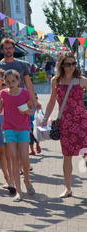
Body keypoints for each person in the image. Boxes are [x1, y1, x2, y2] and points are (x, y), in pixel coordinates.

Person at [41, 52, 87, 198]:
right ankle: (68, 189)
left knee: (86, 154)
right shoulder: (56, 80)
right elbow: (51, 101)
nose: (71, 67)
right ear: (62, 65)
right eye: (68, 64)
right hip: (65, 123)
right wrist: (45, 118)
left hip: (82, 122)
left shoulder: (82, 80)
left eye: (73, 63)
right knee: (67, 156)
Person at [0, 69, 35, 202]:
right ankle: (19, 192)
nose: (10, 83)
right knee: (13, 159)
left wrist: (26, 112)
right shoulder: (2, 93)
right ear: (4, 82)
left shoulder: (25, 93)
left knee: (24, 158)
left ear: (19, 81)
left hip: (23, 129)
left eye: (13, 81)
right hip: (8, 129)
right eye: (8, 81)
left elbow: (32, 110)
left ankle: (27, 181)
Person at [0, 38, 41, 111]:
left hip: (21, 100)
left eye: (10, 48)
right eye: (6, 48)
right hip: (4, 102)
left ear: (14, 49)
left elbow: (28, 84)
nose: (8, 50)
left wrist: (35, 101)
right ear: (2, 50)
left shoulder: (22, 64)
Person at [0, 68, 15, 194]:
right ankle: (6, 178)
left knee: (9, 153)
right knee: (1, 152)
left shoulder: (7, 92)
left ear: (3, 81)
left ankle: (11, 180)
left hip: (6, 121)